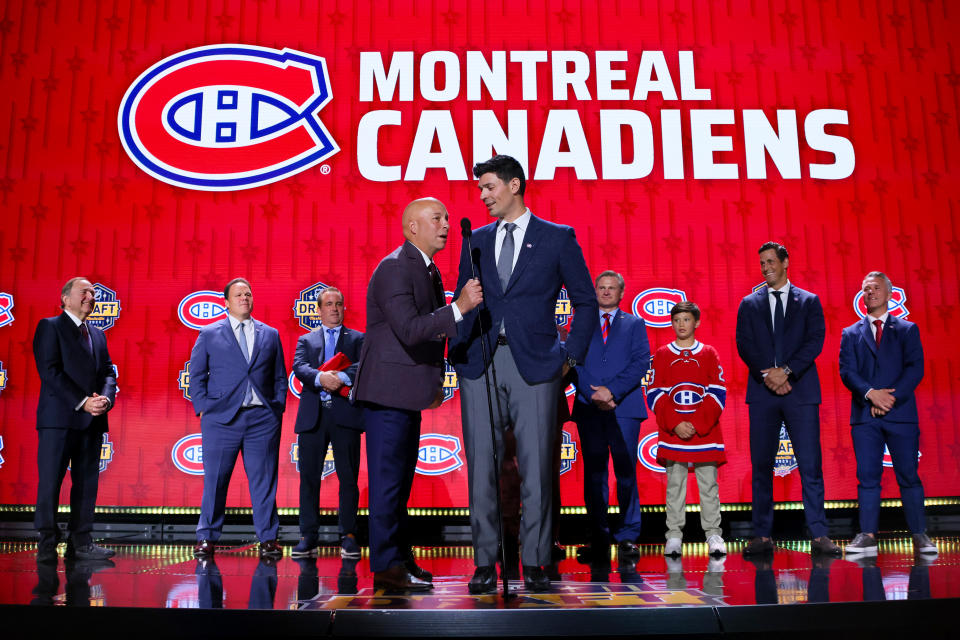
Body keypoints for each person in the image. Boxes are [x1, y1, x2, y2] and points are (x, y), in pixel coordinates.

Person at [450, 154, 598, 593]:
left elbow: (586, 302)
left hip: (536, 365)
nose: (483, 195)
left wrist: (568, 358)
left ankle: (534, 561)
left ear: (515, 186)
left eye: (489, 187)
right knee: (481, 467)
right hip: (480, 363)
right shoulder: (473, 239)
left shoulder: (557, 238)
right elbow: (462, 300)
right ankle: (484, 562)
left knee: (536, 470)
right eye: (480, 189)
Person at [353, 197, 482, 591]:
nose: (445, 224)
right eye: (436, 218)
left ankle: (399, 556)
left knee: (400, 484)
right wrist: (459, 307)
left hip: (405, 396)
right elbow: (410, 329)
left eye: (446, 218)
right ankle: (387, 565)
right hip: (387, 395)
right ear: (412, 227)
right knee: (388, 483)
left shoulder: (426, 269)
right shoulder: (395, 267)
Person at [735, 242, 839, 556]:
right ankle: (762, 535)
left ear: (785, 262)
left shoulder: (808, 301)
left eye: (770, 261)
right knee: (761, 466)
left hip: (801, 392)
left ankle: (819, 534)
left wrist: (787, 372)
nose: (765, 267)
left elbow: (815, 340)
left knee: (810, 465)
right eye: (761, 263)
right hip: (762, 392)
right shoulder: (749, 303)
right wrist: (769, 375)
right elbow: (744, 344)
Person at [188, 278, 287, 559]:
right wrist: (203, 408)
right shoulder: (209, 333)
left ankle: (268, 538)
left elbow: (280, 376)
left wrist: (276, 408)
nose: (245, 298)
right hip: (221, 421)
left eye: (248, 294)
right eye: (238, 294)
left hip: (262, 420)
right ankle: (207, 537)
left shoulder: (270, 334)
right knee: (216, 481)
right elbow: (196, 375)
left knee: (264, 481)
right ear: (226, 302)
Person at [839, 271, 936, 556]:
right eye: (866, 288)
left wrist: (889, 399)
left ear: (889, 293)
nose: (870, 292)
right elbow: (847, 372)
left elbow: (914, 368)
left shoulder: (907, 330)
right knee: (868, 476)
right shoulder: (850, 333)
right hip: (865, 416)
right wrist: (871, 394)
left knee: (909, 475)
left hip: (900, 413)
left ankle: (919, 534)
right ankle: (867, 534)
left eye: (876, 288)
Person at [32, 277, 117, 562]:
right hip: (59, 420)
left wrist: (104, 399)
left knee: (86, 484)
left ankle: (81, 542)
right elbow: (50, 371)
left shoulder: (98, 334)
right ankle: (46, 542)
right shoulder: (50, 327)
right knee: (50, 483)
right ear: (65, 298)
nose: (90, 297)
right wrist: (83, 402)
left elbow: (108, 372)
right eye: (84, 292)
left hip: (92, 421)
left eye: (93, 293)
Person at [571, 270, 649, 564]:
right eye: (601, 288)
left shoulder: (635, 323)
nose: (606, 292)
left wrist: (611, 391)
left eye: (611, 288)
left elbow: (641, 362)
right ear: (595, 291)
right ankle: (598, 536)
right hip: (589, 406)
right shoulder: (582, 322)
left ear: (621, 292)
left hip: (624, 407)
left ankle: (628, 535)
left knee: (626, 473)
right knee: (594, 476)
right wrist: (593, 393)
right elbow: (573, 360)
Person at [647, 301, 727, 557]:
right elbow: (654, 392)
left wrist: (696, 424)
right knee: (675, 486)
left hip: (705, 433)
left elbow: (717, 391)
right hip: (674, 434)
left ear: (697, 322)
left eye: (686, 319)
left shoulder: (708, 353)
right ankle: (673, 536)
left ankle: (714, 534)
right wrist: (675, 423)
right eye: (677, 320)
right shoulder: (661, 354)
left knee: (708, 487)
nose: (681, 325)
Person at [290, 287, 365, 559]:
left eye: (339, 304)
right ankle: (308, 536)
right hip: (313, 418)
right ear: (319, 310)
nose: (334, 308)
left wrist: (341, 379)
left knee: (348, 479)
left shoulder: (357, 339)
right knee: (309, 480)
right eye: (329, 304)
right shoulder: (306, 341)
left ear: (344, 308)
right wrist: (323, 379)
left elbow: (362, 366)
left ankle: (347, 534)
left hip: (345, 416)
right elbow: (300, 367)